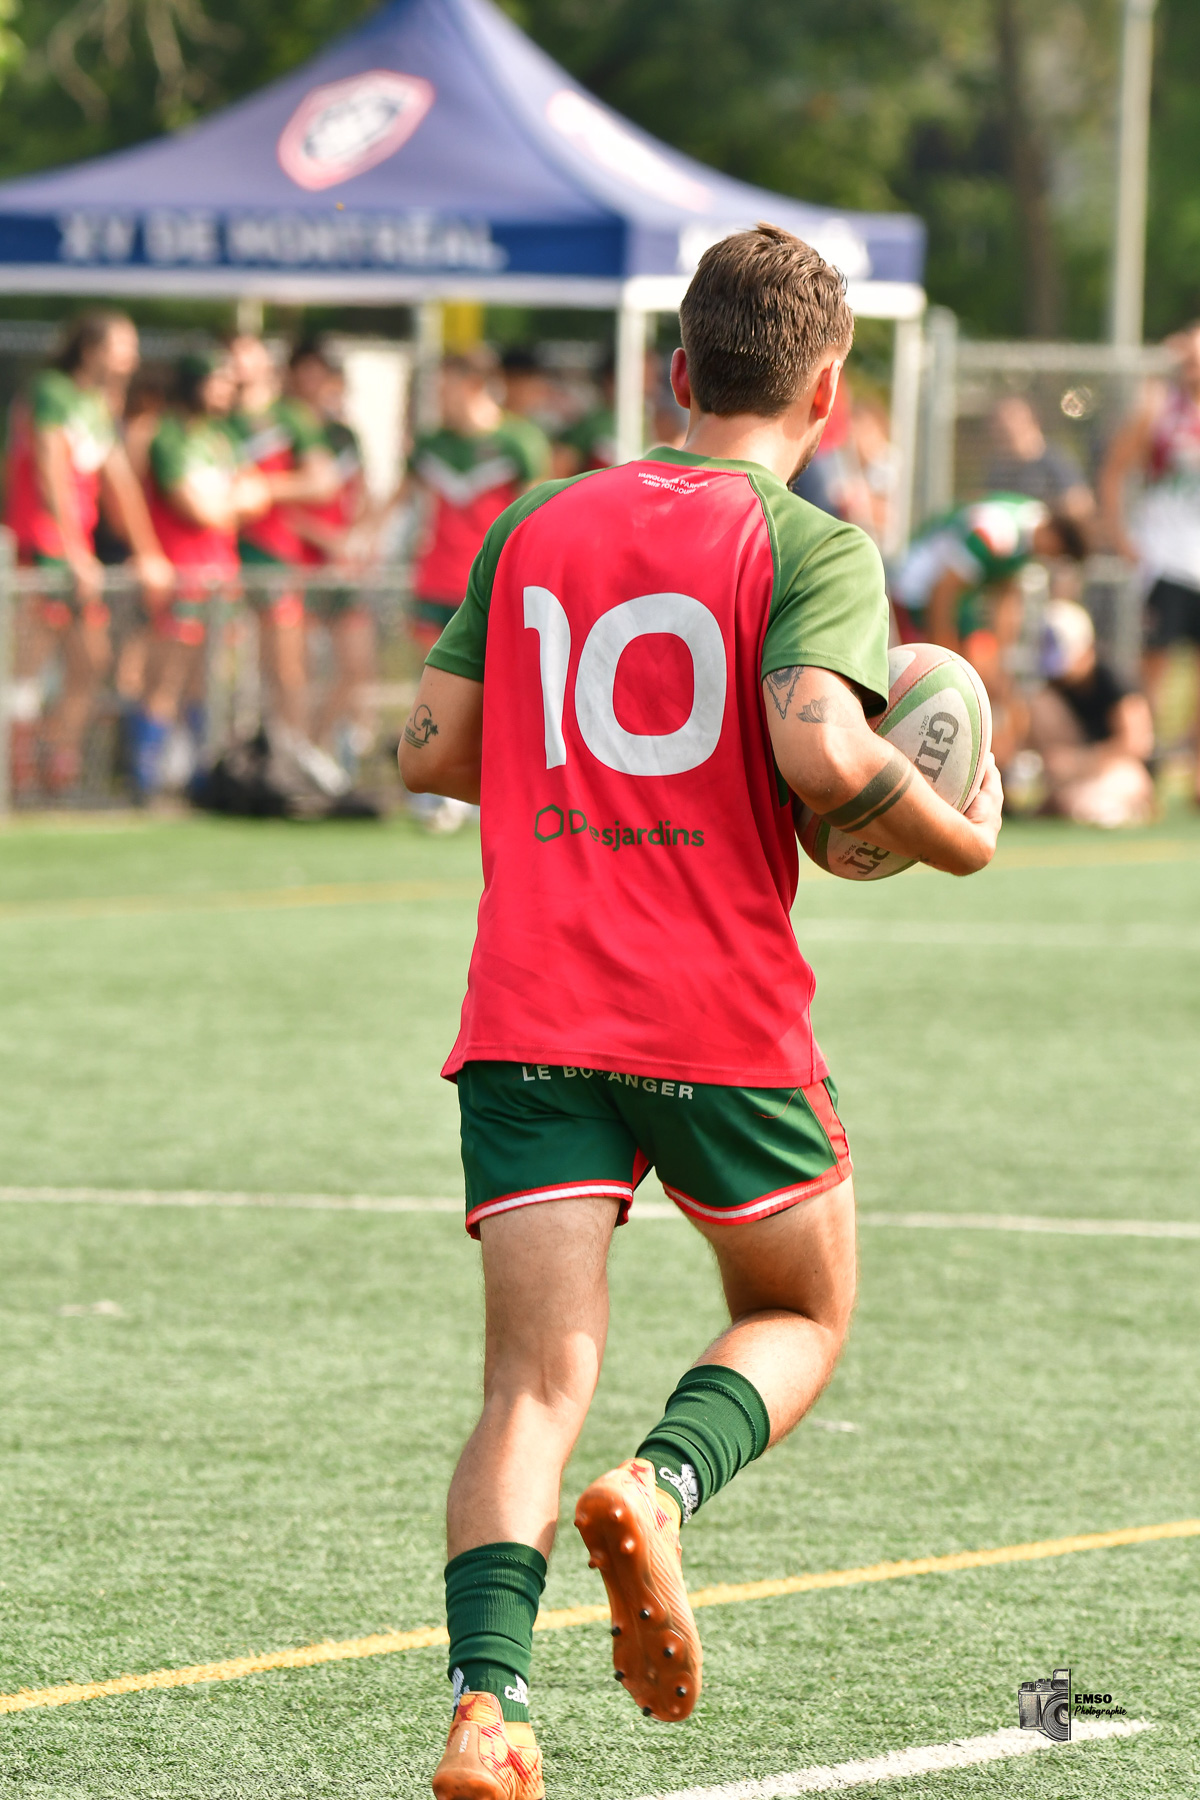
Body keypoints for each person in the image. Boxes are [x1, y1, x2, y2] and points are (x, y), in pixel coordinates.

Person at [397, 223, 1003, 1800]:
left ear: (676, 371)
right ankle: (665, 1488)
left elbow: (427, 748)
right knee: (803, 1309)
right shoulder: (814, 547)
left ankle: (484, 1711)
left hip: (529, 1009)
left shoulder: (537, 518)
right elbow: (821, 751)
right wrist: (955, 834)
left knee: (529, 1389)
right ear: (828, 386)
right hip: (713, 1010)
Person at [3, 311, 172, 795]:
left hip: (71, 549)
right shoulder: (52, 391)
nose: (133, 356)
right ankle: (17, 765)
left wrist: (149, 552)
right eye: (124, 345)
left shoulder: (97, 407)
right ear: (91, 349)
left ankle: (56, 754)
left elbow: (119, 484)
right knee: (30, 660)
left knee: (90, 660)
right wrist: (75, 552)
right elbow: (49, 470)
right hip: (43, 546)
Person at [404, 348, 549, 829]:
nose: (437, 397)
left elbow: (536, 515)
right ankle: (437, 789)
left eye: (443, 386)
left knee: (492, 691)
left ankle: (477, 791)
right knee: (429, 683)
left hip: (491, 586)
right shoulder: (431, 444)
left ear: (471, 384)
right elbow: (398, 503)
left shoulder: (519, 441)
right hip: (434, 580)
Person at [132, 350, 269, 795]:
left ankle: (198, 777)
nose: (227, 390)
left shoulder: (222, 436)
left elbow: (257, 494)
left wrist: (224, 507)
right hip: (181, 577)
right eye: (218, 380)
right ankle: (145, 779)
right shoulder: (168, 435)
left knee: (207, 684)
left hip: (220, 577)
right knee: (167, 679)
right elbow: (195, 507)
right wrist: (228, 506)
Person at [889, 493, 1087, 767]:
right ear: (1055, 537)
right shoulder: (997, 533)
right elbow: (942, 590)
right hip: (917, 593)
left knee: (988, 677)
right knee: (929, 686)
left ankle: (992, 764)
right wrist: (946, 657)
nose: (1050, 560)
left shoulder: (1032, 524)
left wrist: (1002, 662)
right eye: (1057, 554)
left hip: (960, 603)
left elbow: (1005, 596)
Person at [1100, 320, 1200, 804]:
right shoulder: (1159, 408)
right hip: (1168, 561)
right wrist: (1124, 539)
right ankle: (1149, 767)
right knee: (1154, 668)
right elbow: (1115, 472)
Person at [227, 332, 339, 735]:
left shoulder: (289, 417)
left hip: (274, 557)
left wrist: (264, 489)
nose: (237, 365)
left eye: (246, 355)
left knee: (285, 667)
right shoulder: (212, 416)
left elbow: (322, 481)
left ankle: (292, 753)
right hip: (220, 557)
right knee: (219, 668)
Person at [285, 340, 375, 760]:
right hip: (300, 566)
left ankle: (318, 748)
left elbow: (363, 495)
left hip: (343, 569)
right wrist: (329, 540)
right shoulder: (285, 432)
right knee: (296, 670)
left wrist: (358, 539)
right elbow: (281, 511)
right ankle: (297, 749)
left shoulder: (344, 436)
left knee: (355, 664)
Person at [1028, 599, 1155, 826]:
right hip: (1076, 776)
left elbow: (1138, 743)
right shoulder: (1054, 689)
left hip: (1117, 770)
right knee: (1041, 704)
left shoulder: (1112, 680)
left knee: (1089, 800)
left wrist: (1079, 762)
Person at [986, 395, 1094, 520]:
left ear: (1032, 423)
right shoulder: (999, 469)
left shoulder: (1055, 461)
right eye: (999, 431)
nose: (1003, 437)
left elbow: (1082, 503)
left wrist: (1038, 511)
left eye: (1008, 430)